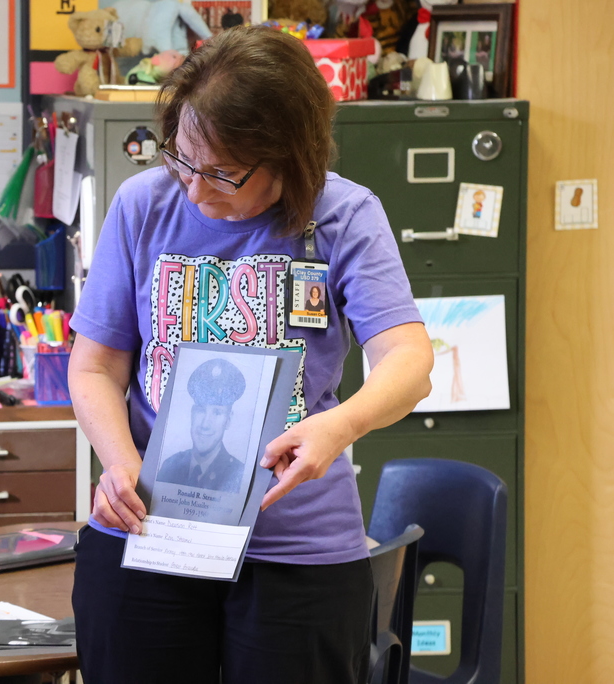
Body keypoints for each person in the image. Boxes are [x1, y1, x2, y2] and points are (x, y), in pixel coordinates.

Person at [67, 26, 433, 684]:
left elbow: (409, 360)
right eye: (181, 159)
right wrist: (120, 462)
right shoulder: (141, 206)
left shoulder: (344, 217)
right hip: (151, 536)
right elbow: (95, 365)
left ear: (290, 156)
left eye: (223, 173)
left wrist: (341, 424)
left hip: (298, 552)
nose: (195, 191)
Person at [157, 357, 247, 493]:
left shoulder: (239, 474)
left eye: (217, 412)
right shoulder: (170, 466)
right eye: (200, 410)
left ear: (228, 420)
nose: (205, 424)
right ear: (192, 413)